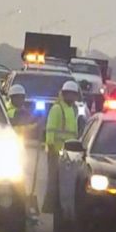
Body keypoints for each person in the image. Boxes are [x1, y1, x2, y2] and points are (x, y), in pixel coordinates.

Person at [42, 80, 81, 213]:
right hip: (55, 151)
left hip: (69, 153)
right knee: (53, 180)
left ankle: (58, 205)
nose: (71, 97)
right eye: (69, 94)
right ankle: (49, 207)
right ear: (64, 94)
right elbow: (50, 129)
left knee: (65, 182)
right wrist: (50, 145)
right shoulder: (57, 108)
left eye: (73, 95)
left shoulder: (73, 109)